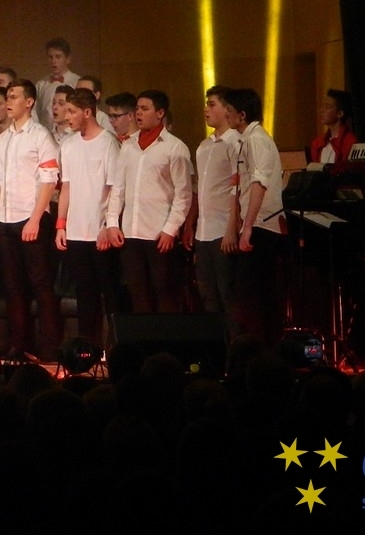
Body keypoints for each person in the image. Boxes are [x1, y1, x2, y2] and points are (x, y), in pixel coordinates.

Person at [0, 81, 61, 359]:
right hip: (5, 220)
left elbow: (49, 180)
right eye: (7, 97)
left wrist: (35, 219)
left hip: (31, 218)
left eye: (14, 97)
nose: (8, 102)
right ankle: (19, 344)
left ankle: (50, 346)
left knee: (40, 284)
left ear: (29, 102)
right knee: (12, 286)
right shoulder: (3, 139)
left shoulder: (40, 136)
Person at [102, 90, 193, 315]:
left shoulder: (174, 147)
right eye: (137, 109)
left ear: (160, 113)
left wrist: (171, 229)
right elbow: (118, 188)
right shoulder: (129, 145)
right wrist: (112, 223)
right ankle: (143, 336)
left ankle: (165, 336)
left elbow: (183, 194)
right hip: (131, 232)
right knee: (137, 290)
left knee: (163, 291)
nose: (139, 114)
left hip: (158, 233)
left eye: (144, 109)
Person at [53, 87, 123, 344]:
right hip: (76, 231)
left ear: (87, 112)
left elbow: (114, 188)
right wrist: (61, 225)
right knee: (84, 293)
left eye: (72, 111)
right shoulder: (69, 145)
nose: (66, 116)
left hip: (100, 231)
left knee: (110, 293)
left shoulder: (108, 143)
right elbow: (66, 187)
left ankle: (114, 347)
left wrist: (107, 225)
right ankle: (87, 348)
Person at [228, 87, 286, 346]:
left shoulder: (256, 139)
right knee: (253, 294)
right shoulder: (248, 140)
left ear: (242, 115)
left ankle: (263, 349)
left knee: (255, 295)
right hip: (256, 225)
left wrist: (248, 226)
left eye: (230, 111)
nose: (226, 116)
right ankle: (262, 348)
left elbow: (259, 183)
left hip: (263, 226)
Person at [191, 86, 243, 325]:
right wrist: (191, 226)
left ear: (227, 109)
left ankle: (235, 343)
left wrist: (231, 229)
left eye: (212, 104)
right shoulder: (204, 145)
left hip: (223, 231)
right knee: (207, 294)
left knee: (228, 295)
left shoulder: (235, 142)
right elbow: (199, 189)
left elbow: (237, 188)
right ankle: (216, 343)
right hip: (203, 233)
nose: (206, 109)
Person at [309, 88, 357, 169]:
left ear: (340, 113)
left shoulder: (350, 142)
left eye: (327, 107)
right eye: (323, 106)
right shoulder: (318, 143)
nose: (322, 110)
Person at [35, 37, 75, 130]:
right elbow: (35, 112)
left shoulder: (76, 82)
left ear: (68, 59)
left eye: (58, 57)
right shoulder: (41, 84)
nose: (53, 61)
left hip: (70, 133)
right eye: (50, 57)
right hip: (45, 133)